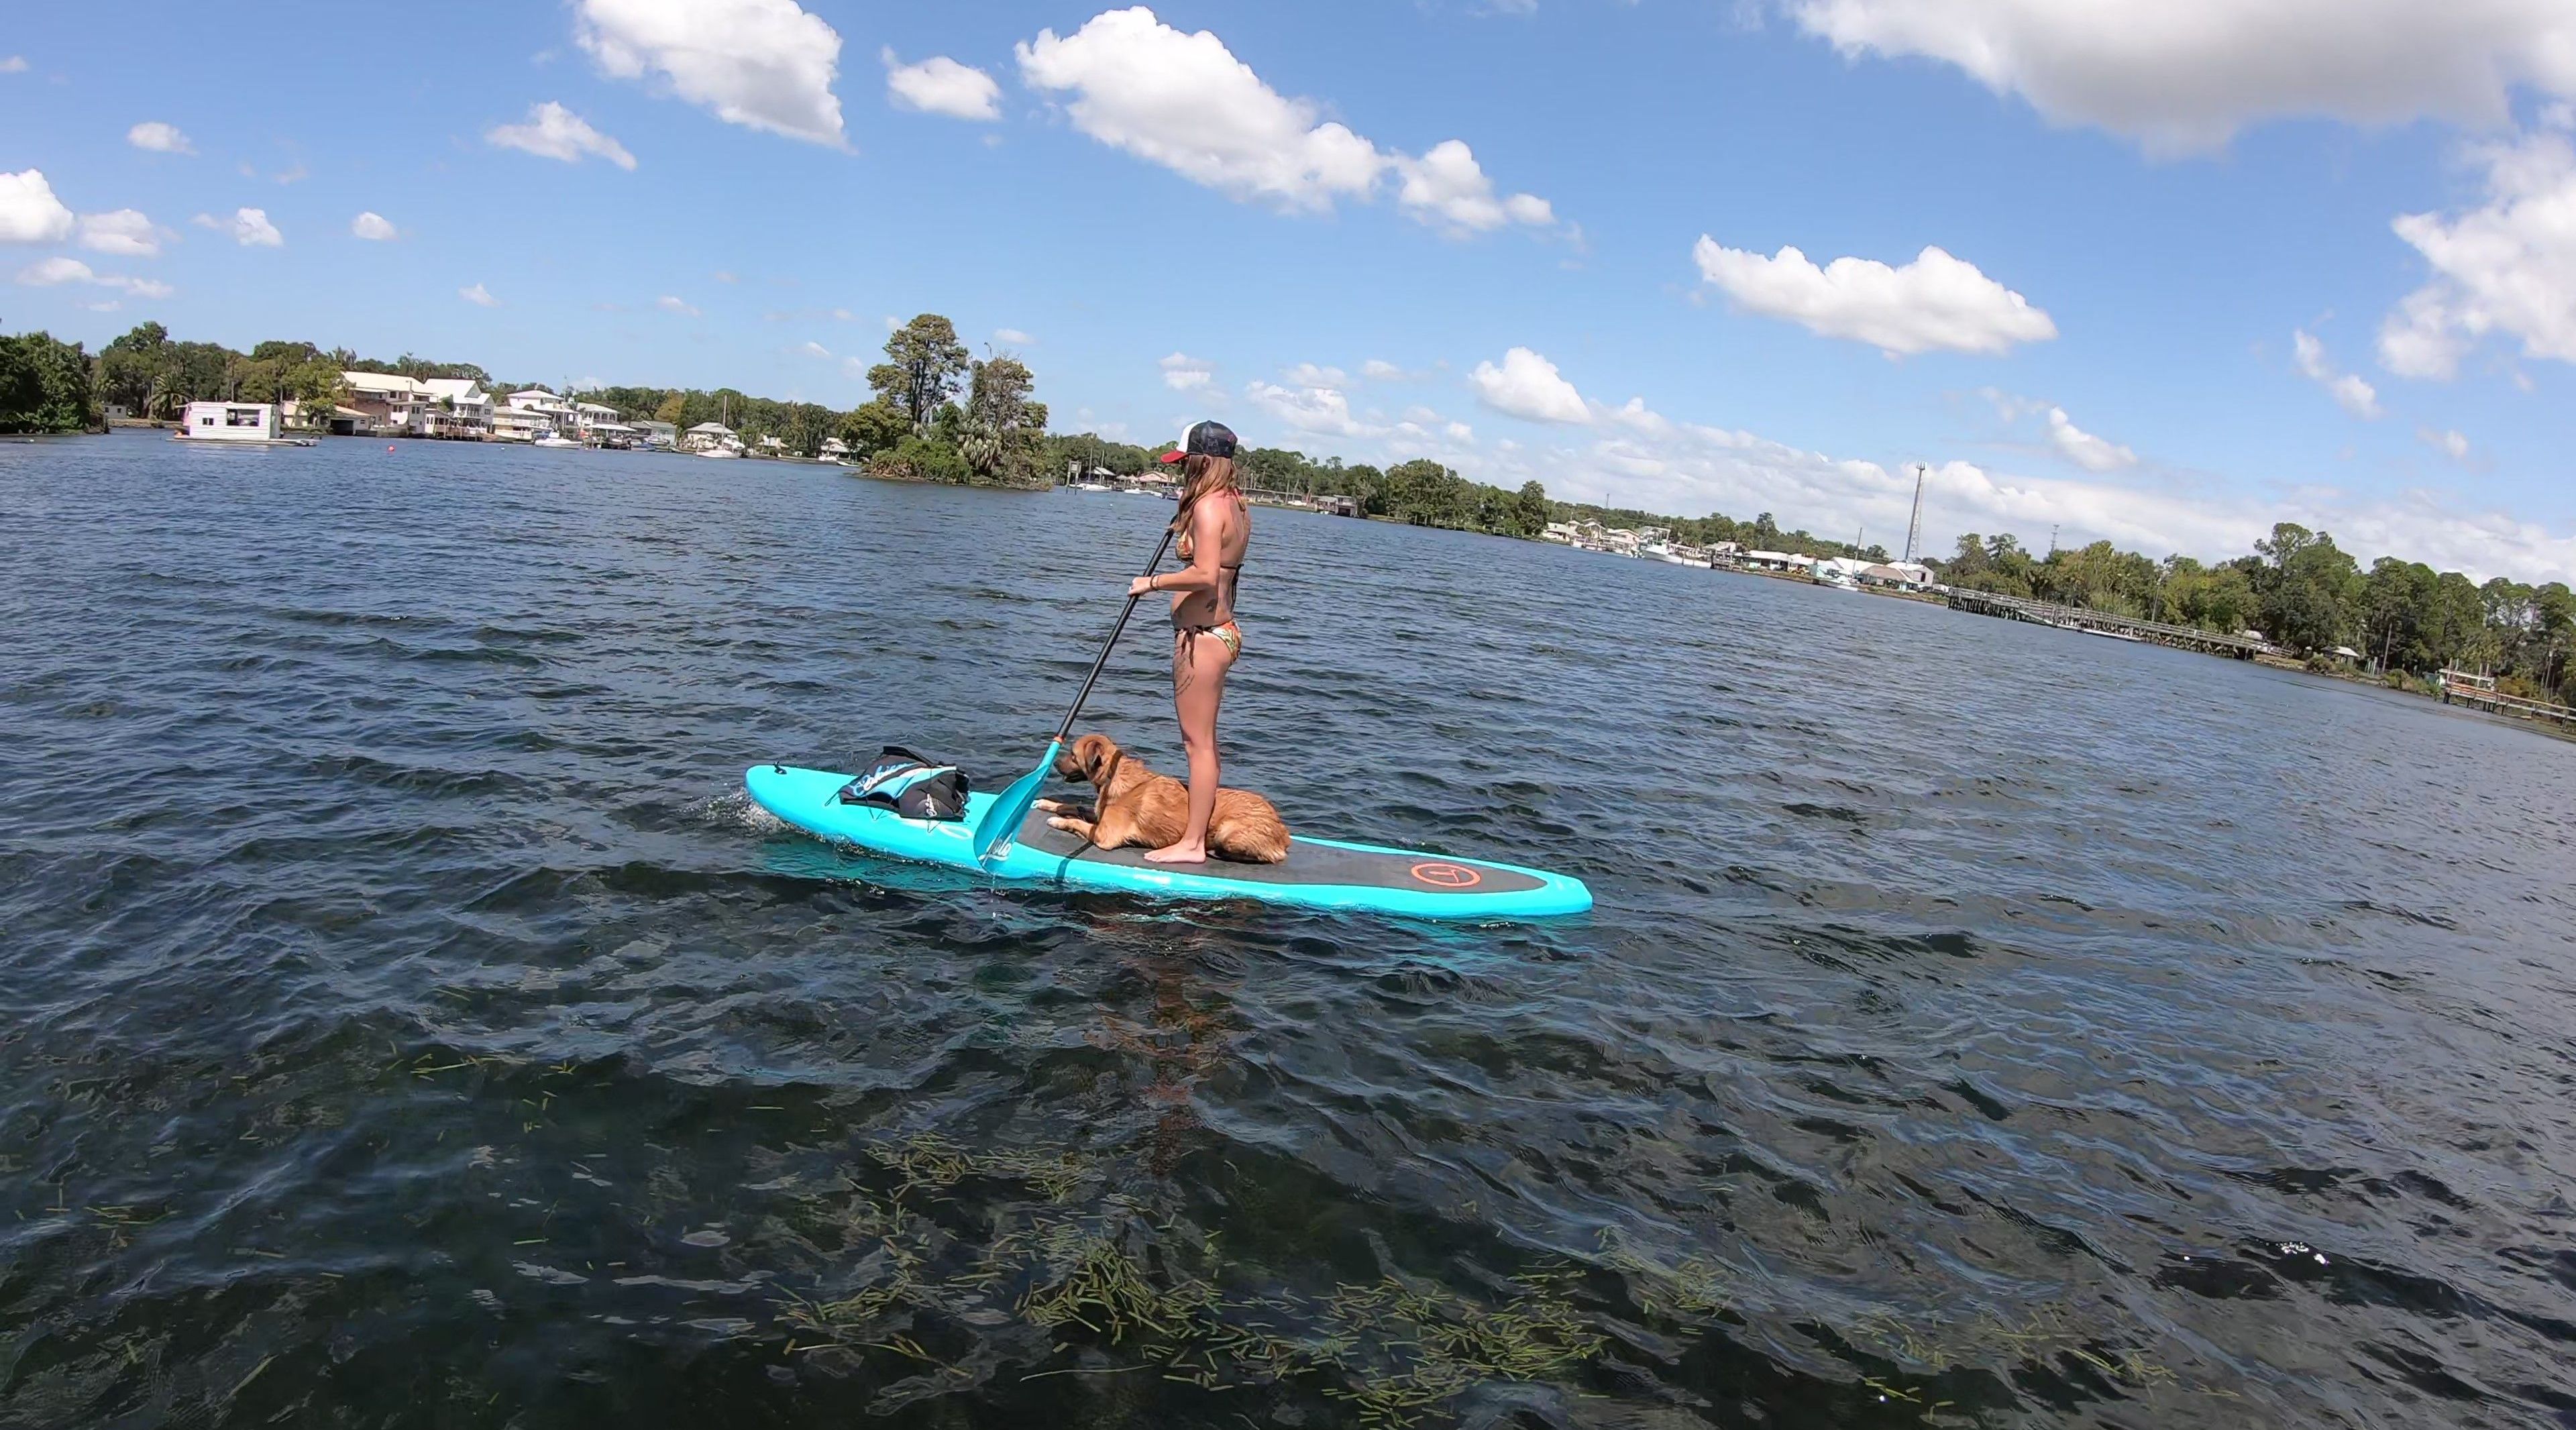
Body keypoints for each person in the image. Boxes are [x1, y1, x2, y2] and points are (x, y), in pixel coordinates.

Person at [1124, 421, 1250, 863]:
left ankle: (1193, 844)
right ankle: (1195, 836)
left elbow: (1204, 575)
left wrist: (1152, 583)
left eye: (1185, 464)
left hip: (1203, 638)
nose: (1182, 472)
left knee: (1198, 746)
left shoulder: (1208, 508)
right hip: (1222, 633)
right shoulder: (1234, 502)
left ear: (1201, 460)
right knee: (1205, 743)